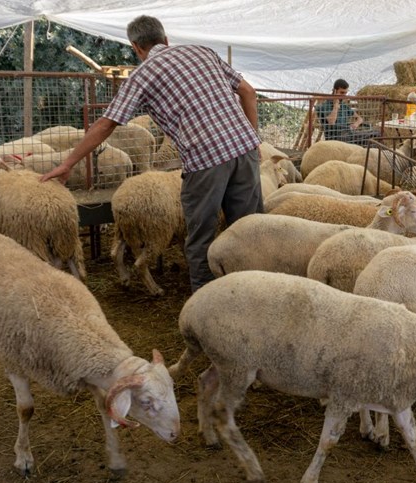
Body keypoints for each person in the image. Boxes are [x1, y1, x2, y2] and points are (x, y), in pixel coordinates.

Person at [40, 15, 262, 292]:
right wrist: (253, 140)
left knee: (200, 240)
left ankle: (207, 306)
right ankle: (254, 294)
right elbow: (248, 92)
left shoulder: (142, 75)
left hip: (206, 161)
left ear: (136, 47)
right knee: (249, 230)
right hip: (244, 149)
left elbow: (107, 123)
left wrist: (68, 163)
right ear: (165, 39)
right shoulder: (203, 52)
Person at [316, 79, 379, 145]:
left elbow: (360, 118)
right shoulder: (325, 106)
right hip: (336, 137)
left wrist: (356, 124)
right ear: (334, 91)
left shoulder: (344, 106)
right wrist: (335, 106)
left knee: (376, 134)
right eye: (342, 93)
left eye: (345, 93)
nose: (344, 95)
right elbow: (331, 122)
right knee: (369, 137)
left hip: (348, 134)